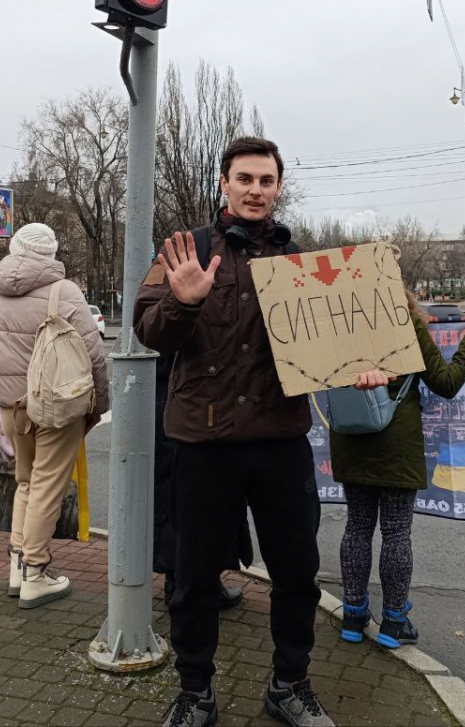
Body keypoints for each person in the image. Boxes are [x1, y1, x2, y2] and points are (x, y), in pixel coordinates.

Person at [135, 136, 333, 727]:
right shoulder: (184, 250)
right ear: (224, 183)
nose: (255, 190)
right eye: (244, 178)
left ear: (278, 187)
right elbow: (148, 330)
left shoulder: (302, 262)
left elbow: (330, 348)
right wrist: (184, 302)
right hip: (205, 443)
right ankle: (195, 692)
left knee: (297, 574)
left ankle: (290, 684)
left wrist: (359, 369)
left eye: (265, 180)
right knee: (193, 579)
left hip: (279, 440)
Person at [335, 298, 465, 648]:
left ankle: (353, 615)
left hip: (350, 437)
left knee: (357, 528)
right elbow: (446, 383)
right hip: (396, 441)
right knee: (396, 533)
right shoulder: (404, 323)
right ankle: (394, 622)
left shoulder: (336, 320)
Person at [0, 223, 110, 609]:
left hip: (10, 406)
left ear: (15, 248)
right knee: (48, 488)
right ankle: (36, 573)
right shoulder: (63, 291)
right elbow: (94, 356)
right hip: (54, 406)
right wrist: (98, 407)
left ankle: (17, 568)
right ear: (52, 253)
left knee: (25, 482)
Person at [153, 352, 249, 607]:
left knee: (171, 496)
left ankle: (177, 581)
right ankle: (195, 584)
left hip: (167, 402)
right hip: (196, 403)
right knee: (199, 498)